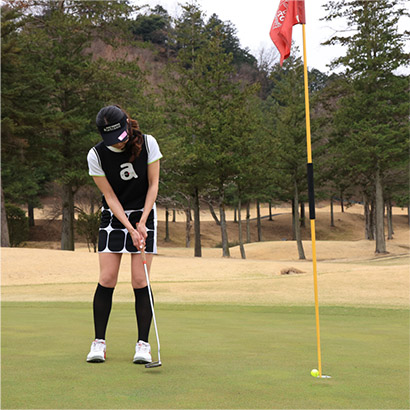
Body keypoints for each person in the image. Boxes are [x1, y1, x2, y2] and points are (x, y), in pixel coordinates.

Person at [86, 105, 162, 364]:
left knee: (140, 280)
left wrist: (142, 221)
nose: (118, 143)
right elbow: (109, 196)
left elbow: (153, 184)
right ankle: (99, 343)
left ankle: (143, 345)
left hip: (144, 211)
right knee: (107, 278)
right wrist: (129, 227)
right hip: (114, 215)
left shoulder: (148, 143)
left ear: (127, 124)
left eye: (120, 136)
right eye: (111, 139)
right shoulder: (96, 155)